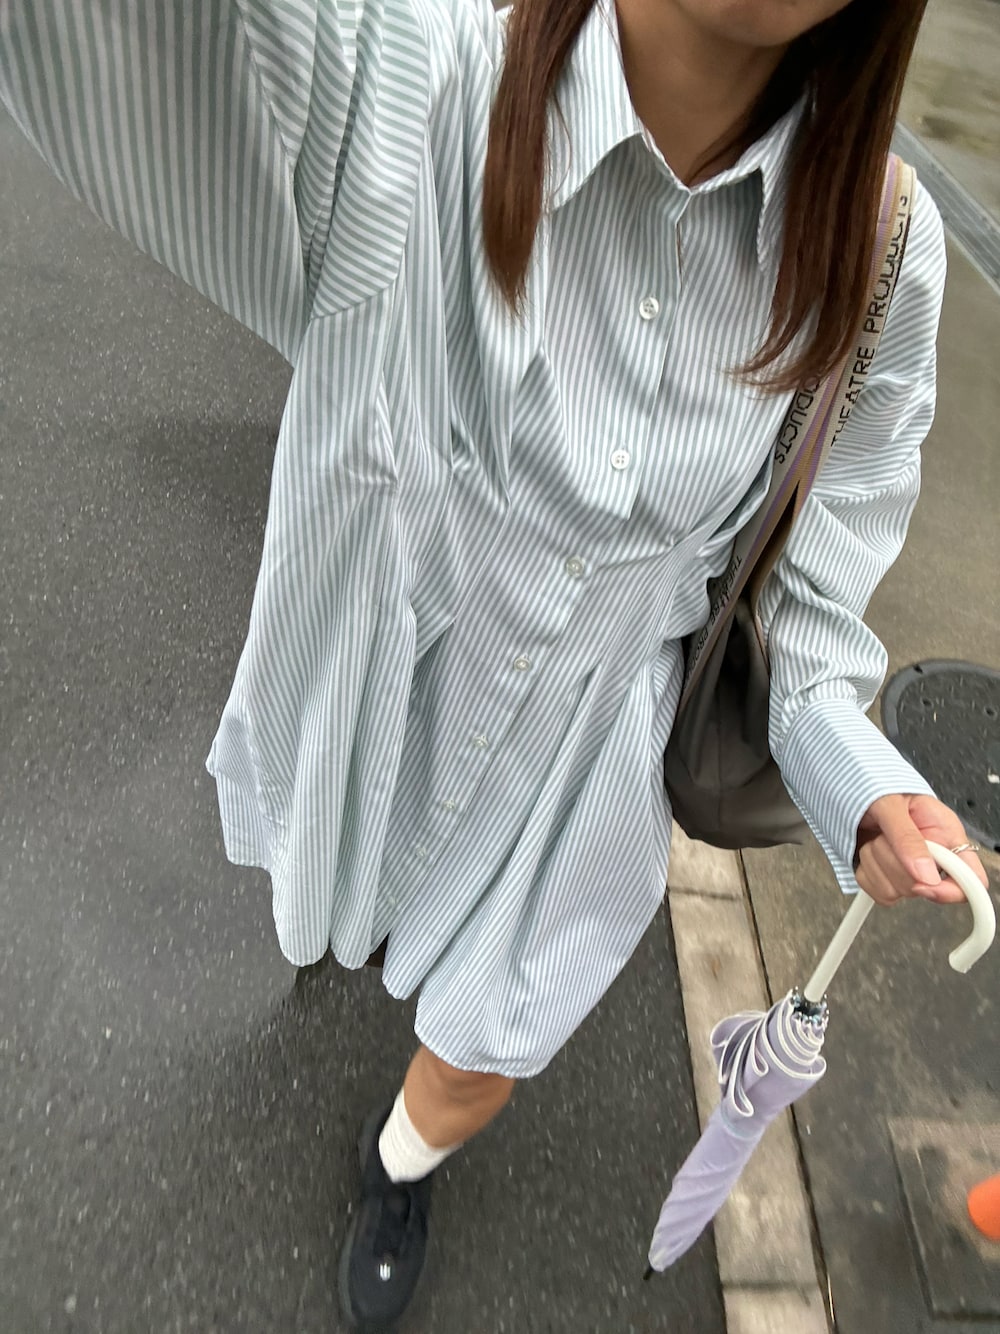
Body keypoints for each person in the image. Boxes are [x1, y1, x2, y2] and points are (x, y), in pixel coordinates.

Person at [1, 0, 990, 1328]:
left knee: (485, 1043)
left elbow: (807, 594)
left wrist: (857, 780)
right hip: (382, 678)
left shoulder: (877, 245)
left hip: (589, 765)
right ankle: (351, 935)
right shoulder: (415, 68)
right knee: (336, 907)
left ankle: (399, 1163)